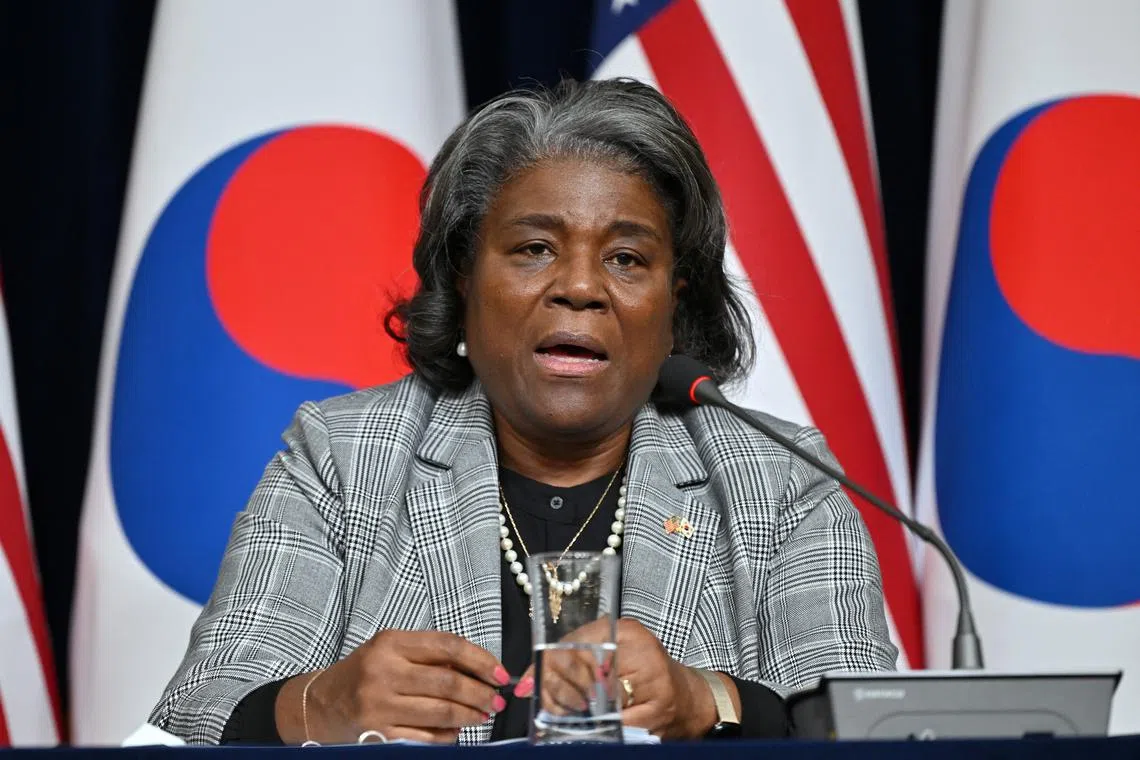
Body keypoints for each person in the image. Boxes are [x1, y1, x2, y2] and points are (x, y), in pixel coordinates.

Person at [148, 77, 897, 746]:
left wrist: (708, 700)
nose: (579, 287)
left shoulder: (780, 481)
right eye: (535, 248)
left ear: (678, 301)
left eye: (627, 258)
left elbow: (869, 724)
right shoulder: (343, 459)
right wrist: (322, 704)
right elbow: (195, 714)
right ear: (463, 280)